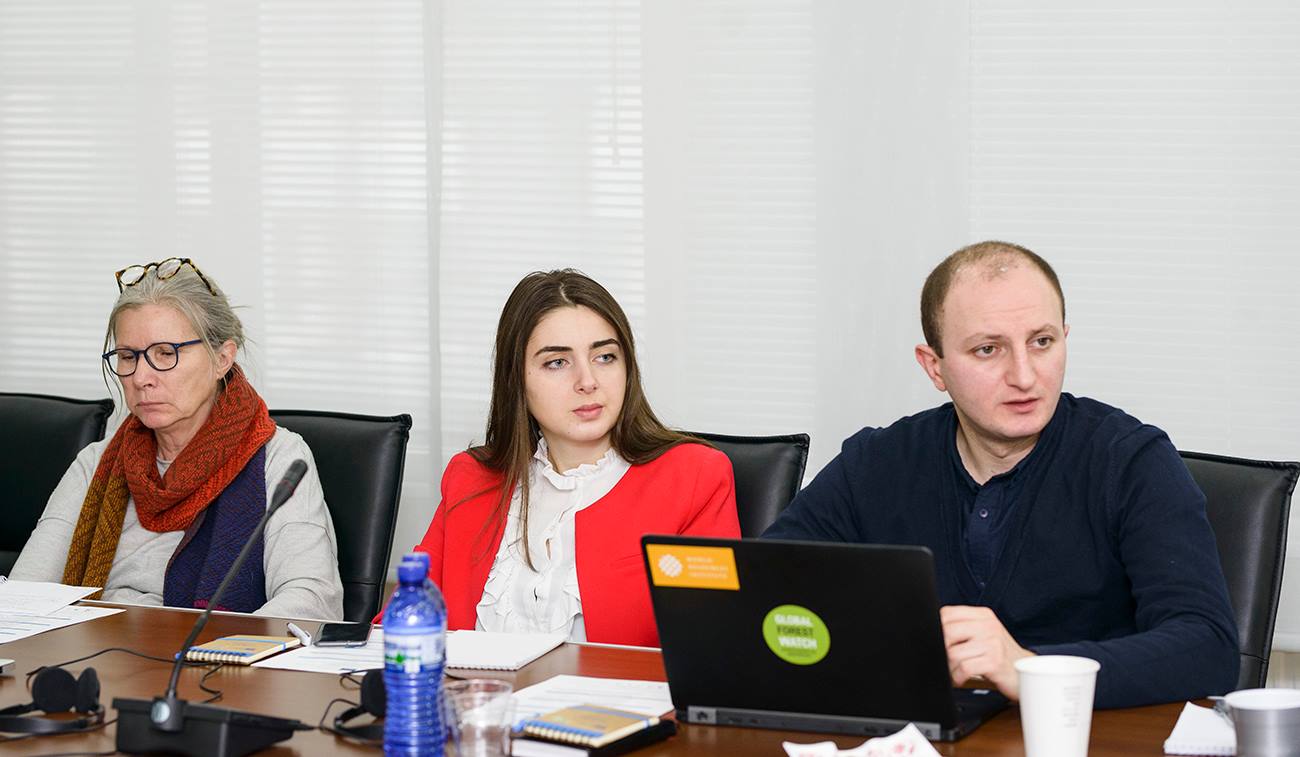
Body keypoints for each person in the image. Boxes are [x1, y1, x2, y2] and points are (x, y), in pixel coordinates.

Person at [764, 241, 1238, 709]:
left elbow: (1207, 647)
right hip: (921, 734)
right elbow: (763, 589)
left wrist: (1029, 668)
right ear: (935, 367)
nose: (1025, 376)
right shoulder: (877, 462)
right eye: (988, 349)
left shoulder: (1131, 461)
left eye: (1042, 342)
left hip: (1080, 736)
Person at [404, 269, 739, 646]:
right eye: (557, 362)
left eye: (605, 357)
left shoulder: (694, 478)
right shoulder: (470, 478)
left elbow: (713, 646)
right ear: (517, 380)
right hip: (468, 686)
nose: (588, 381)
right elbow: (404, 620)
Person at [11, 258, 344, 619]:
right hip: (98, 648)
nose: (141, 377)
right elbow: (23, 596)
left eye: (165, 354)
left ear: (222, 359)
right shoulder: (97, 463)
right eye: (128, 357)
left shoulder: (278, 458)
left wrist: (221, 646)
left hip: (211, 649)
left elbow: (312, 601)